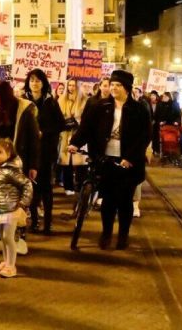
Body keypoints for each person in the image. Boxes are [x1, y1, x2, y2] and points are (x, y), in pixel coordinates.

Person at [69, 70, 150, 250]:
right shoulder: (100, 106)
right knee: (108, 201)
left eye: (118, 85)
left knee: (125, 201)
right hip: (105, 159)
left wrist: (130, 157)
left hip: (128, 162)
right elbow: (86, 128)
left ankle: (123, 235)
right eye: (112, 84)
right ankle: (106, 234)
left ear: (127, 88)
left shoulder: (139, 109)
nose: (113, 88)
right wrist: (75, 143)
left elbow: (144, 136)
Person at [0, 80, 39, 254]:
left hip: (18, 164)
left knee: (17, 203)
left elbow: (33, 139)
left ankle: (19, 238)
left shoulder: (23, 110)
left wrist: (33, 165)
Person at [22, 69, 62, 234]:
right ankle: (35, 221)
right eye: (32, 80)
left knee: (46, 188)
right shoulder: (23, 101)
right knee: (32, 187)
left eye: (38, 81)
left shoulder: (51, 102)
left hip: (46, 151)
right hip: (29, 152)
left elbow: (60, 124)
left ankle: (48, 221)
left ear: (44, 83)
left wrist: (44, 132)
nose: (34, 84)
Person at [0, 138, 33, 279]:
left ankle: (11, 266)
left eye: (0, 152)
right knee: (2, 237)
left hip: (11, 208)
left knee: (8, 236)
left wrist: (22, 205)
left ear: (9, 153)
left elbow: (27, 185)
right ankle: (6, 261)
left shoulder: (12, 171)